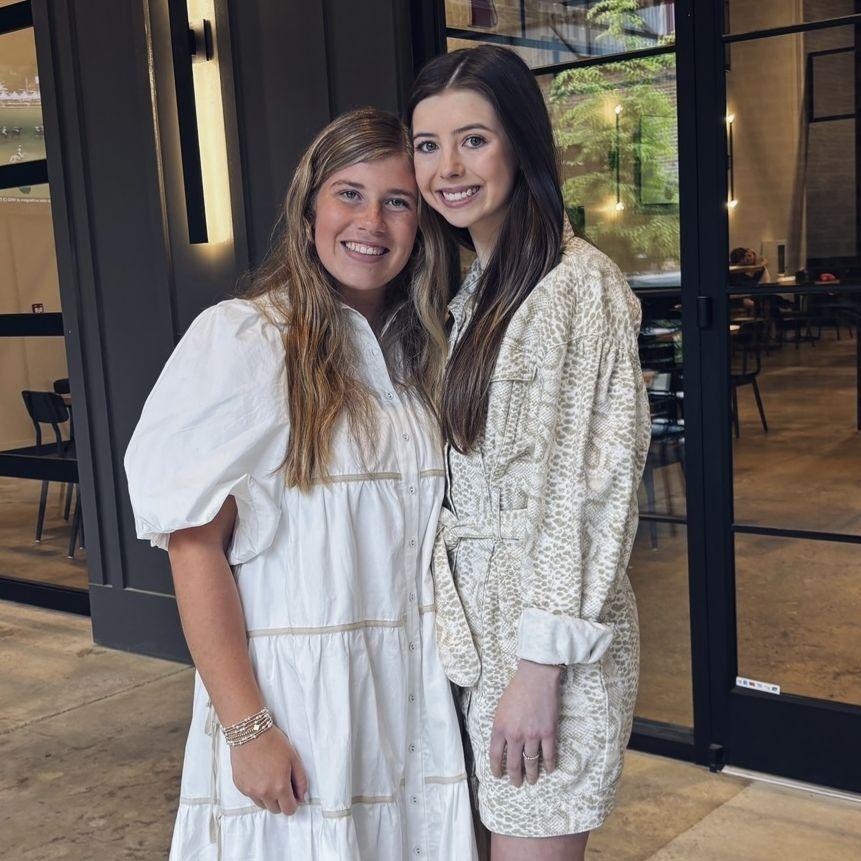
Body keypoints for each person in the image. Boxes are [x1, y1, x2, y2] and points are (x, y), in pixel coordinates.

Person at [124, 107, 477, 861]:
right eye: (349, 194)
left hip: (407, 700)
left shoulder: (421, 357)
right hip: (298, 705)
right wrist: (247, 727)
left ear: (421, 223)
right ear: (309, 207)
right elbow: (194, 547)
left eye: (396, 201)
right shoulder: (246, 339)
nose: (371, 222)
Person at [408, 46, 651, 860]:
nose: (447, 168)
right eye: (428, 145)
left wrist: (539, 669)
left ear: (520, 143)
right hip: (473, 639)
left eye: (473, 140)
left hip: (541, 648)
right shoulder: (475, 287)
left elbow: (592, 490)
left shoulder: (579, 284)